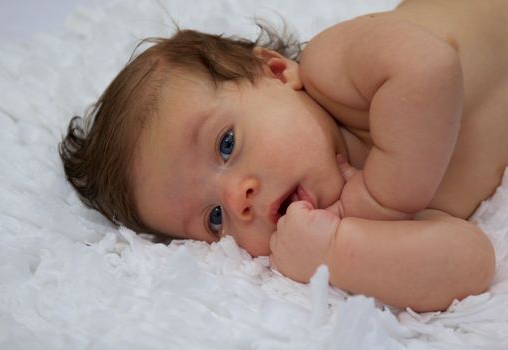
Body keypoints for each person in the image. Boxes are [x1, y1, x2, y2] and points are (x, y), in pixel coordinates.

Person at [60, 0, 508, 312]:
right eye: (214, 219)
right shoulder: (349, 224)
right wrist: (337, 250)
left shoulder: (334, 71)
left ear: (275, 72)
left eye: (226, 144)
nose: (239, 200)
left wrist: (383, 197)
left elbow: (431, 66)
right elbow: (472, 263)